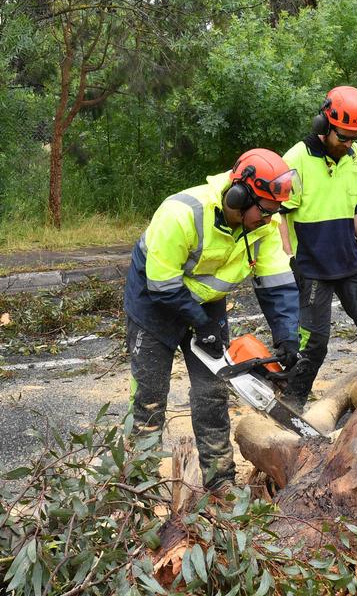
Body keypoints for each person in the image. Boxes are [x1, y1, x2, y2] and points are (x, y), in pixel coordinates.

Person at [124, 148, 302, 491]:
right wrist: (198, 322)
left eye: (274, 212)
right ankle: (137, 484)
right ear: (239, 197)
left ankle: (220, 481)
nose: (269, 219)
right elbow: (161, 284)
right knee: (150, 396)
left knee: (212, 392)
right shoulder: (182, 213)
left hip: (208, 305)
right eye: (264, 211)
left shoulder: (265, 224)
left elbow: (277, 283)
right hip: (153, 301)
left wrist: (287, 337)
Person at [277, 86, 357, 409]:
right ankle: (292, 402)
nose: (348, 144)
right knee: (314, 342)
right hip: (312, 265)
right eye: (343, 137)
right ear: (324, 125)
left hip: (349, 261)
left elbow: (354, 209)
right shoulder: (296, 159)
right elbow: (281, 215)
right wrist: (289, 260)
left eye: (353, 138)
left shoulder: (355, 157)